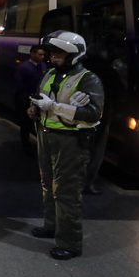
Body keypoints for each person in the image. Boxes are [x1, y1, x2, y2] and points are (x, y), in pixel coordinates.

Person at [28, 30, 104, 260]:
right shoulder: (50, 74)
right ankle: (51, 226)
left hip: (71, 141)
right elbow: (44, 101)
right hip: (46, 135)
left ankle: (69, 243)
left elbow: (93, 114)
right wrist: (35, 110)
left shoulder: (89, 79)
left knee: (66, 192)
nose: (54, 57)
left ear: (74, 55)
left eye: (60, 53)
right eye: (53, 52)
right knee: (47, 184)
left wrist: (54, 108)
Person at [14, 44, 47, 154]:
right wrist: (25, 100)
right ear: (32, 54)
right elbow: (19, 86)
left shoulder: (43, 66)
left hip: (39, 99)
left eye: (43, 55)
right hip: (27, 100)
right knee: (26, 124)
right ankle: (26, 147)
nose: (42, 57)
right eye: (40, 54)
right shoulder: (24, 67)